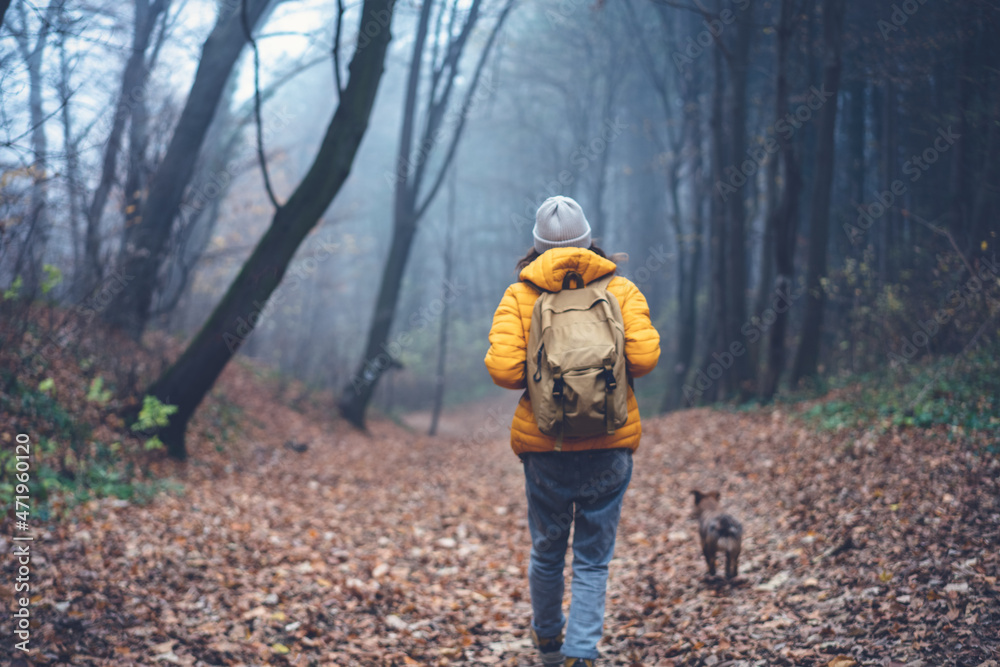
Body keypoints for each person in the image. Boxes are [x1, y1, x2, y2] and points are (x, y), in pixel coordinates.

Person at [484, 195, 661, 666]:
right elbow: (643, 360)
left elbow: (503, 370)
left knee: (546, 551)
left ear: (537, 246)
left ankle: (548, 643)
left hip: (547, 447)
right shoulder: (619, 290)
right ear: (588, 241)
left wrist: (544, 375)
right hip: (610, 443)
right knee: (591, 559)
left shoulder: (521, 295)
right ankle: (581, 654)